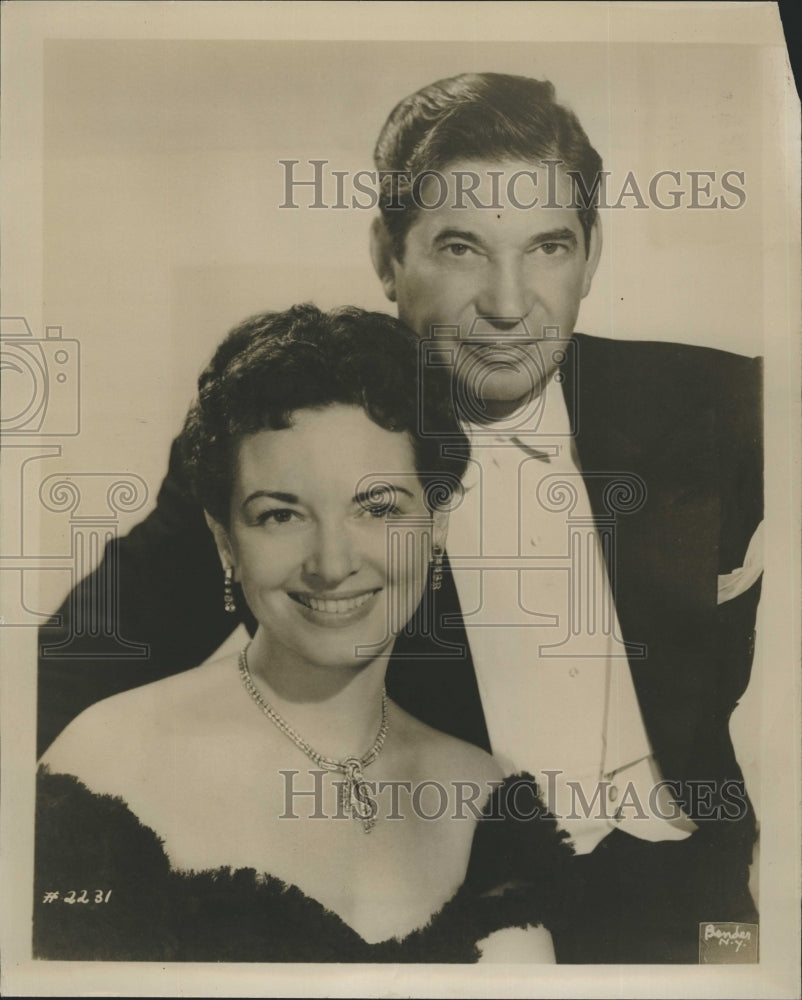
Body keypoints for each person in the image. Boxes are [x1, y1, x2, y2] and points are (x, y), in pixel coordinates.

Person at [37, 73, 763, 962]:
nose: (508, 305)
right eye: (461, 248)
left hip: (699, 908)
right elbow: (58, 680)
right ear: (386, 256)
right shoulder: (286, 440)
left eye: (547, 247)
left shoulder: (728, 408)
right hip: (462, 913)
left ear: (593, 251)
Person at [34, 304, 575, 962]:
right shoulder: (110, 761)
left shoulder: (485, 796)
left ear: (436, 526)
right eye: (280, 515)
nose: (331, 563)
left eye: (377, 508)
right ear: (224, 541)